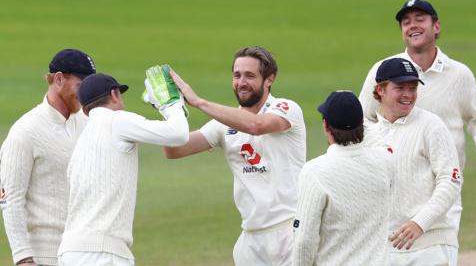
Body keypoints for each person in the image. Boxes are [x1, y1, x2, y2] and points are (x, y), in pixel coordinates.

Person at [163, 46, 306, 265]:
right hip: (250, 237)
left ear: (269, 79)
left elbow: (256, 126)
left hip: (289, 231)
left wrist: (199, 102)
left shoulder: (285, 108)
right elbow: (174, 150)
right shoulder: (223, 125)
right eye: (237, 75)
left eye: (250, 75)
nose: (242, 82)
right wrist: (170, 108)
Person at [359, 0, 476, 235]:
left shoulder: (459, 75)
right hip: (394, 194)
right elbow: (363, 119)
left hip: (444, 189)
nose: (412, 25)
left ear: (436, 26)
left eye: (420, 19)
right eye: (406, 22)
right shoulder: (382, 71)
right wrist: (383, 147)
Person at [56, 71, 188, 266]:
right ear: (114, 94)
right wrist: (170, 104)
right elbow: (178, 135)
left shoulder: (82, 142)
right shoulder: (117, 120)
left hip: (69, 252)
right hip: (102, 252)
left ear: (85, 110)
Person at [0, 49, 96, 266]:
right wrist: (23, 258)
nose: (86, 95)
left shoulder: (87, 122)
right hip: (45, 256)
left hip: (86, 254)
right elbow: (11, 200)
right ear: (59, 79)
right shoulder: (25, 131)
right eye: (81, 86)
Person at [370, 58, 461, 265]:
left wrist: (420, 223)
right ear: (380, 90)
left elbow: (451, 180)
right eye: (400, 88)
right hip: (385, 251)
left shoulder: (431, 125)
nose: (408, 95)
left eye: (412, 88)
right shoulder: (369, 134)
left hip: (430, 247)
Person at [292, 91, 394, 266]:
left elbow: (304, 241)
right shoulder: (385, 161)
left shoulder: (314, 171)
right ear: (361, 124)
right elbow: (380, 144)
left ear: (325, 125)